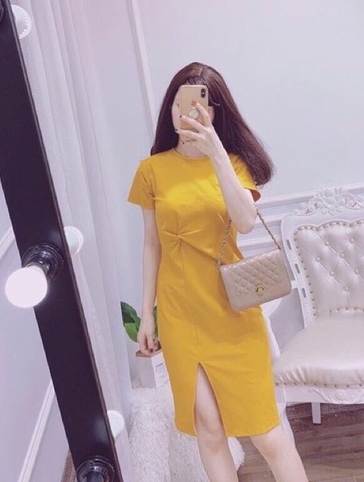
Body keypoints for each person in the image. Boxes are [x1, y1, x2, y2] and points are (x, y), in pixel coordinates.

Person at [127, 62, 308, 482]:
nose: (185, 112)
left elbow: (244, 222)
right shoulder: (151, 170)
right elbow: (151, 244)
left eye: (197, 104)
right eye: (178, 103)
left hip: (231, 311)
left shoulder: (234, 163)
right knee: (208, 431)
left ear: (214, 111)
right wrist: (147, 314)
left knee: (266, 432)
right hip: (178, 313)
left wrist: (215, 155)